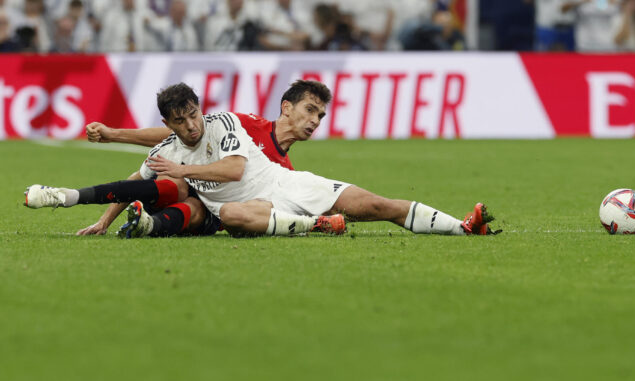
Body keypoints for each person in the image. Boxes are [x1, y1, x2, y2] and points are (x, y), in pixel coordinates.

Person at [25, 82, 499, 238]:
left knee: (375, 205)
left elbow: (228, 165)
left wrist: (181, 169)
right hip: (233, 207)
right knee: (222, 211)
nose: (316, 121)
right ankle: (316, 228)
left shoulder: (252, 140)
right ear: (287, 108)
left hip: (284, 189)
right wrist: (114, 138)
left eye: (321, 114)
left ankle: (462, 227)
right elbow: (157, 155)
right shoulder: (244, 122)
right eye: (310, 110)